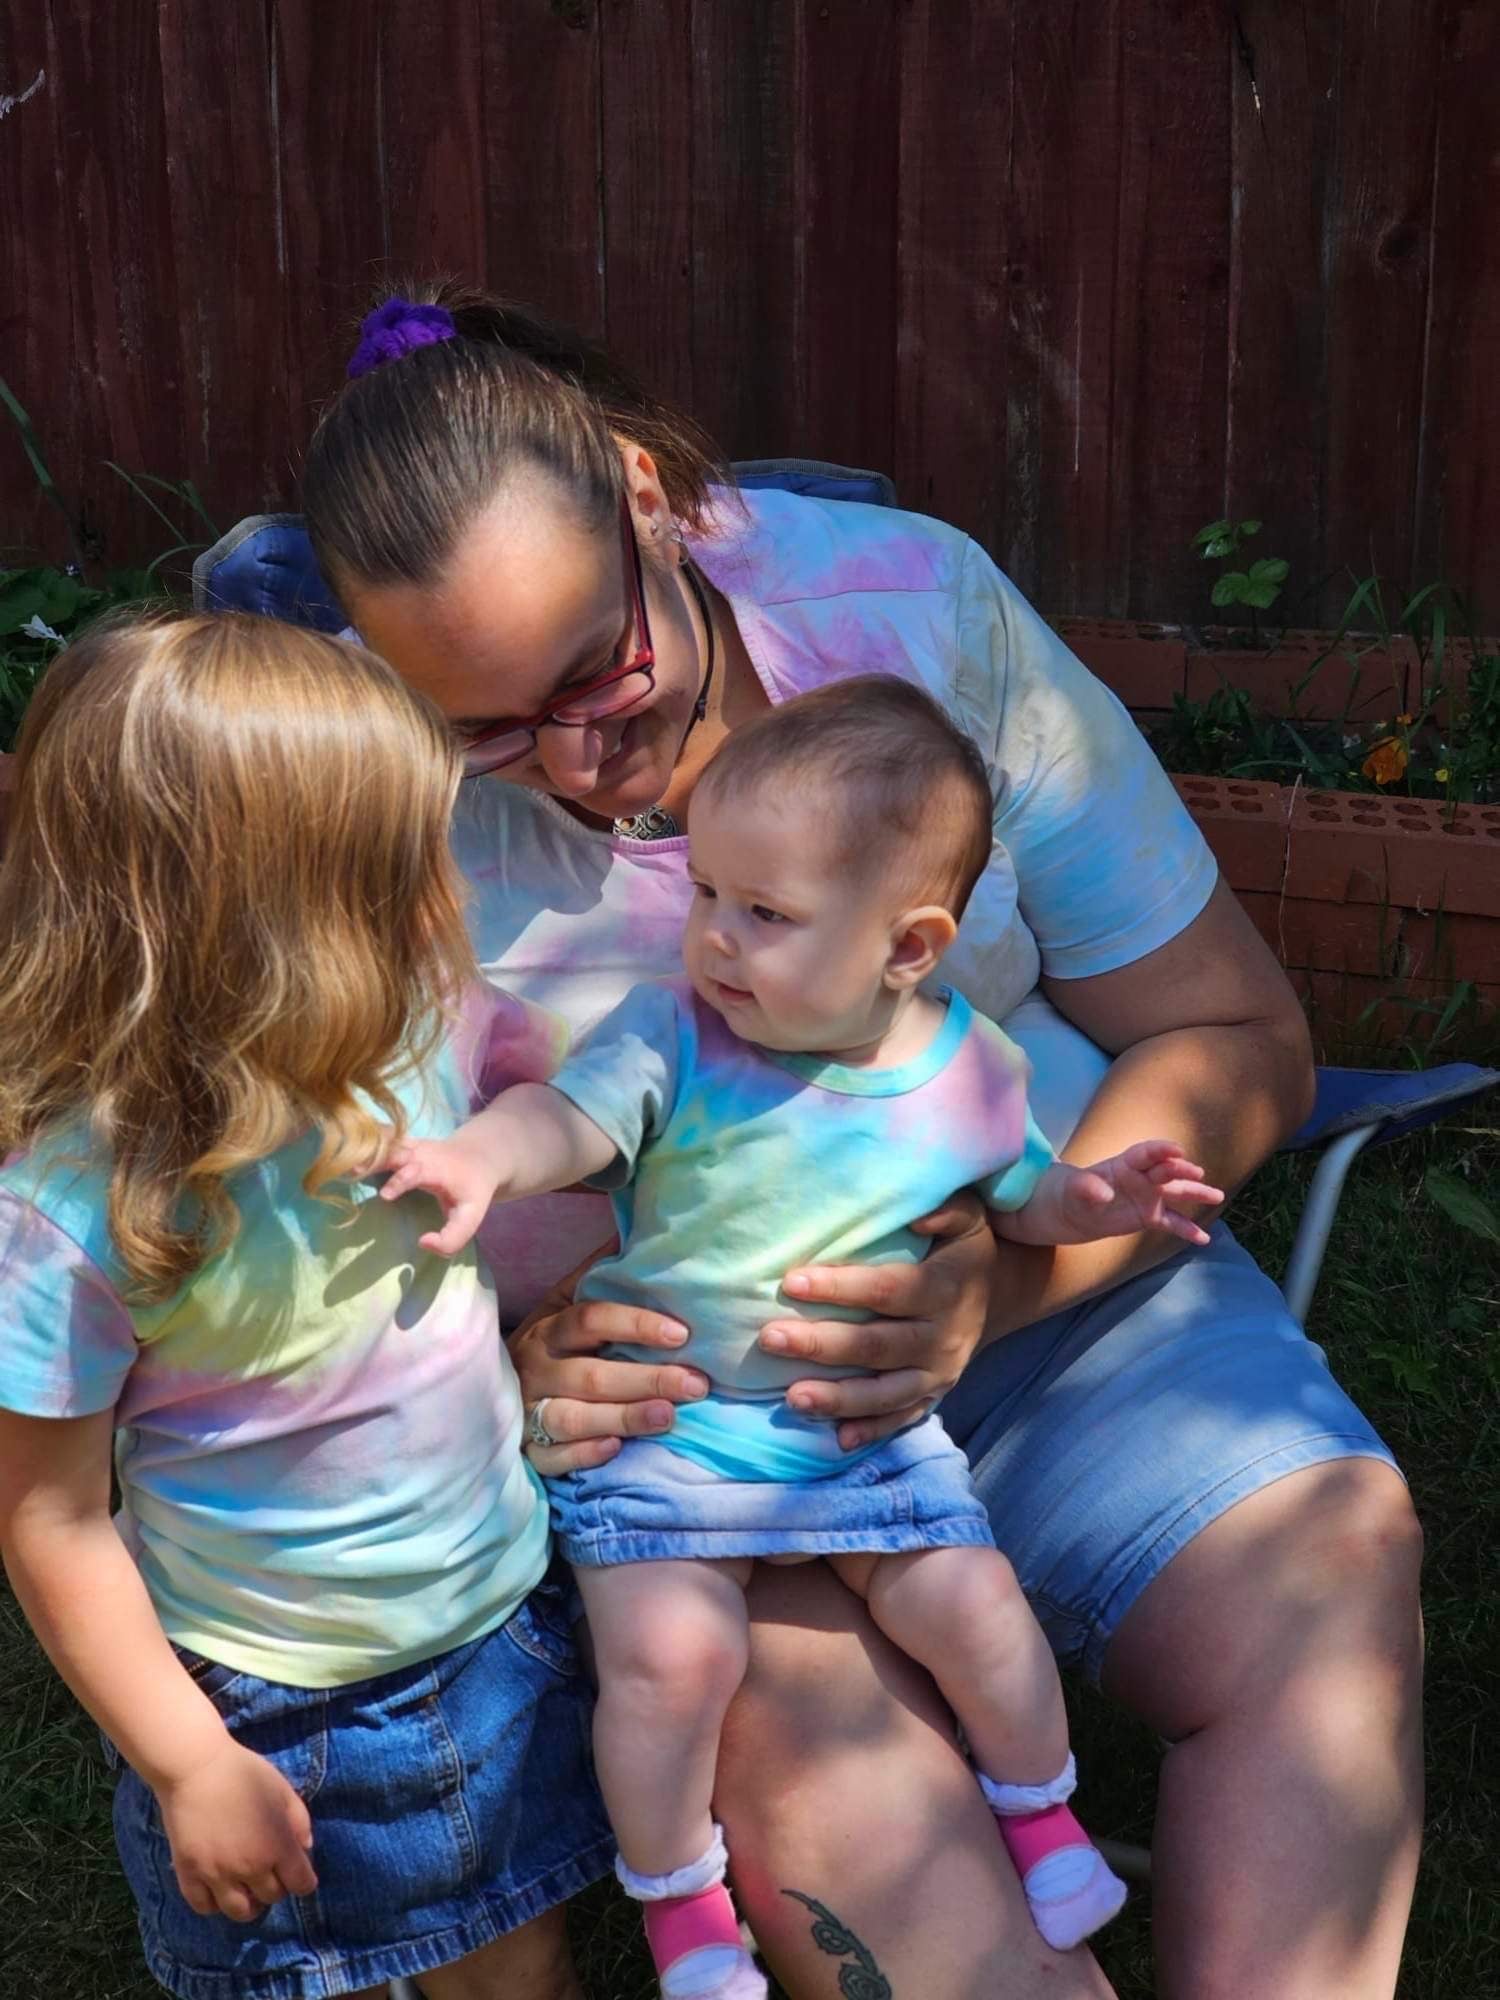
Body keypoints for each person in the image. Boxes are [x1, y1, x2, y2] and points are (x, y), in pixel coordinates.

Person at [301, 285, 1423, 2000]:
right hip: (704, 1440)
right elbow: (275, 1252)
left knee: (1329, 1569)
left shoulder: (910, 613)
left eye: (597, 673)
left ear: (648, 495)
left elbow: (1234, 1035)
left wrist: (1006, 1276)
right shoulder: (342, 792)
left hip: (1065, 1303)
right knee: (826, 1793)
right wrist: (516, 1363)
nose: (582, 769)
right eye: (485, 727)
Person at [385, 680, 1228, 1994]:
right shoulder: (681, 1033)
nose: (715, 941)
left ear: (911, 945)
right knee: (673, 1664)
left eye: (763, 915)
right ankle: (681, 1909)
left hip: (860, 1444)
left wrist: (1094, 1199)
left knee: (978, 1613)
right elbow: (573, 1119)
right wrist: (482, 1156)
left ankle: (1043, 1811)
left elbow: (1028, 1192)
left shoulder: (972, 1068)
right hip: (671, 1438)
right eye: (708, 895)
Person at [0, 613, 613, 2000]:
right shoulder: (77, 1213)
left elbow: (561, 1090)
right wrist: (187, 1762)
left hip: (498, 1621)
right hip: (262, 1700)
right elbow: (50, 1515)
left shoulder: (422, 1027)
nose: (448, 897)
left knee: (516, 1950)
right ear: (276, 924)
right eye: (408, 866)